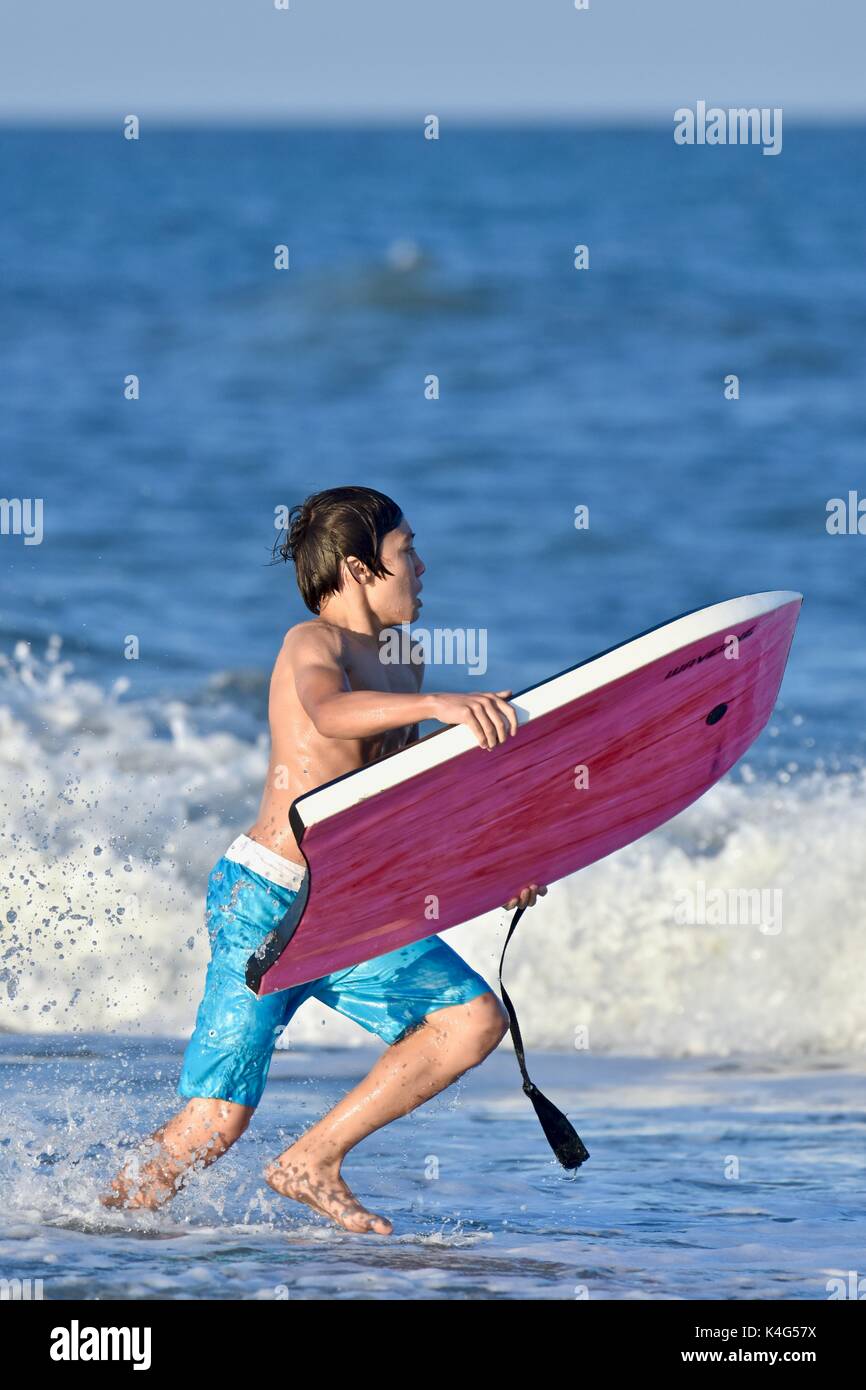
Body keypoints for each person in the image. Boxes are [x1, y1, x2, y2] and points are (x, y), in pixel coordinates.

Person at [102, 486, 546, 1234]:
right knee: (214, 1124)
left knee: (470, 1021)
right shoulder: (313, 644)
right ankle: (91, 1232)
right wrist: (438, 705)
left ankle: (313, 1158)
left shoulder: (405, 658)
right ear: (359, 567)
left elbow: (406, 800)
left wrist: (493, 866)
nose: (422, 566)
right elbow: (328, 712)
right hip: (268, 905)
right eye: (406, 553)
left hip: (350, 905)